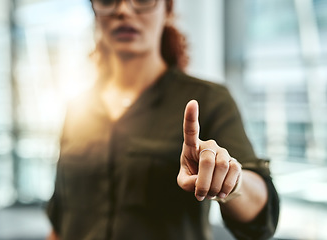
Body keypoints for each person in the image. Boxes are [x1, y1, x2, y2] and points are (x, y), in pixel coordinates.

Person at [46, 0, 280, 239]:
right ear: (95, 11)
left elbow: (262, 213)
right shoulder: (77, 108)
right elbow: (60, 220)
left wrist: (232, 182)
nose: (123, 10)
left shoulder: (208, 100)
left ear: (167, 10)